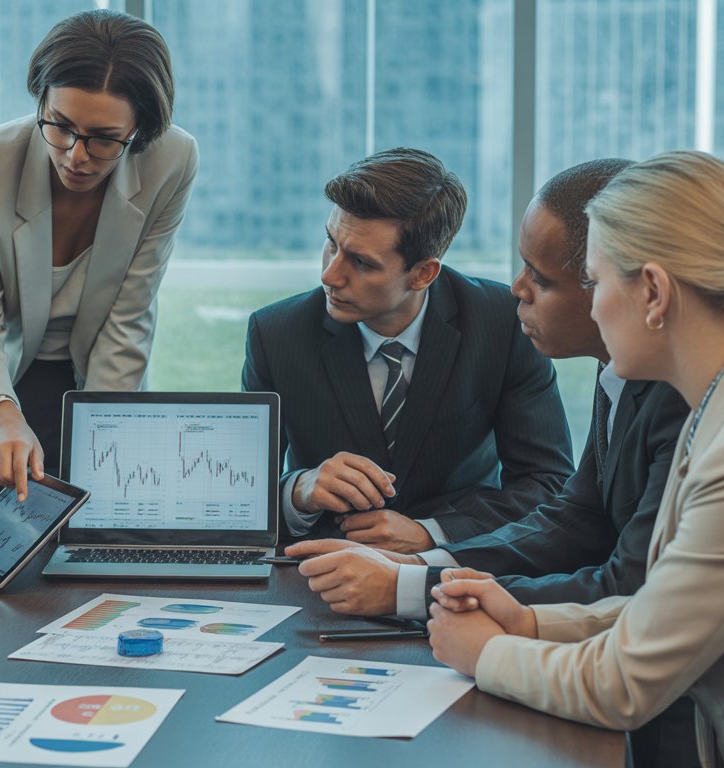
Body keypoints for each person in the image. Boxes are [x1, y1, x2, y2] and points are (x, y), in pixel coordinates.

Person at [285, 159, 698, 767]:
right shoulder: (624, 379)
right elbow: (575, 518)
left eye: (543, 277)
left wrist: (410, 583)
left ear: (638, 289)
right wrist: (423, 565)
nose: (516, 290)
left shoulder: (677, 398)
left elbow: (624, 583)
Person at [428, 151, 724, 767]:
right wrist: (528, 622)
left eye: (598, 282)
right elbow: (660, 610)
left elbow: (624, 683)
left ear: (653, 291)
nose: (596, 305)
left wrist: (483, 653)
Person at [0, 8, 199, 527]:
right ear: (40, 99)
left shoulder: (171, 161)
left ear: (142, 131)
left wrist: (102, 437)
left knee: (92, 542)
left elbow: (128, 316)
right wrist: (2, 417)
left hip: (90, 370)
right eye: (59, 126)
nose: (75, 155)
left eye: (105, 139)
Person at [242, 149, 573, 551]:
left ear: (423, 274)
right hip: (319, 572)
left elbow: (547, 484)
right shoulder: (276, 334)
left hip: (456, 572)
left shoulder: (503, 324)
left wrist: (433, 532)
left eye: (361, 263)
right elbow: (238, 501)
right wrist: (299, 491)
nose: (330, 274)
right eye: (331, 243)